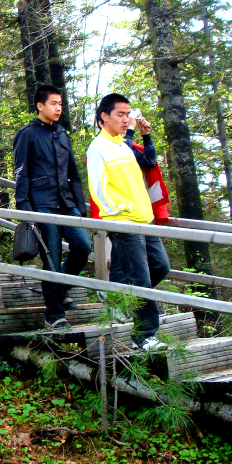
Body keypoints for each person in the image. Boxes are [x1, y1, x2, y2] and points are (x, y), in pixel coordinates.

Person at [87, 93, 169, 351]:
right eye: (120, 114)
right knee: (141, 278)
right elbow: (99, 189)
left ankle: (116, 296)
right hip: (123, 221)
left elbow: (149, 163)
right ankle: (144, 336)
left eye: (128, 114)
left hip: (144, 220)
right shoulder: (98, 147)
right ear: (104, 117)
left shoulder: (124, 146)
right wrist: (121, 211)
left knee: (160, 266)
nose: (126, 119)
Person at [13, 85, 91, 329]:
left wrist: (80, 206)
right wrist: (26, 209)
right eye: (53, 104)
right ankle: (55, 314)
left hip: (67, 204)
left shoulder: (62, 134)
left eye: (60, 104)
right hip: (42, 205)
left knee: (83, 246)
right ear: (40, 105)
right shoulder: (27, 134)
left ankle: (61, 288)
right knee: (52, 257)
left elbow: (73, 174)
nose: (58, 108)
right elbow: (21, 173)